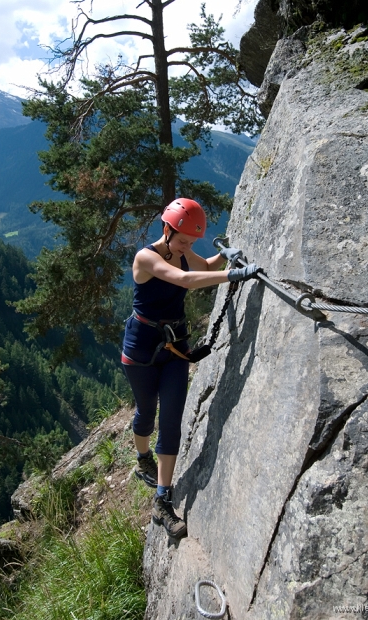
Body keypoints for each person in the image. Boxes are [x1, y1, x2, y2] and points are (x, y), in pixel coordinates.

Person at [121, 198, 260, 539]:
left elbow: (205, 266)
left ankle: (162, 499)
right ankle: (142, 458)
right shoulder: (146, 257)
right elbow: (183, 280)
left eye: (191, 242)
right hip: (140, 350)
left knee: (169, 422)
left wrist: (224, 258)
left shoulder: (183, 251)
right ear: (166, 229)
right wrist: (234, 274)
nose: (186, 246)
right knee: (145, 414)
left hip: (175, 348)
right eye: (182, 240)